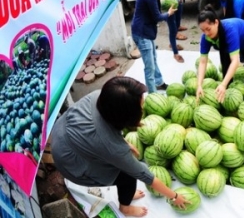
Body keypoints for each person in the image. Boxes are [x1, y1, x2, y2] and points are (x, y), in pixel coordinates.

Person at [51, 77, 190, 217]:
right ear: (126, 116)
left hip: (61, 133)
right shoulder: (113, 147)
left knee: (120, 164)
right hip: (71, 164)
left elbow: (106, 130)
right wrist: (174, 196)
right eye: (140, 106)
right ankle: (125, 207)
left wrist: (124, 142)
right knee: (127, 176)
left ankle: (126, 194)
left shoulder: (99, 97)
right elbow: (144, 175)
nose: (143, 107)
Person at [196, 6, 244, 102]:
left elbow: (235, 61)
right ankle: (228, 95)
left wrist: (223, 84)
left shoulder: (229, 31)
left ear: (216, 22)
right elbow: (203, 62)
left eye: (208, 29)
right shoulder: (205, 37)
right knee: (225, 66)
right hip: (224, 41)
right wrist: (199, 85)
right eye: (203, 30)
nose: (206, 33)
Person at [131, 0, 175, 92]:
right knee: (149, 66)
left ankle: (159, 82)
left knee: (154, 58)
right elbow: (157, 17)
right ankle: (153, 95)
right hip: (142, 32)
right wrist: (169, 13)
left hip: (146, 29)